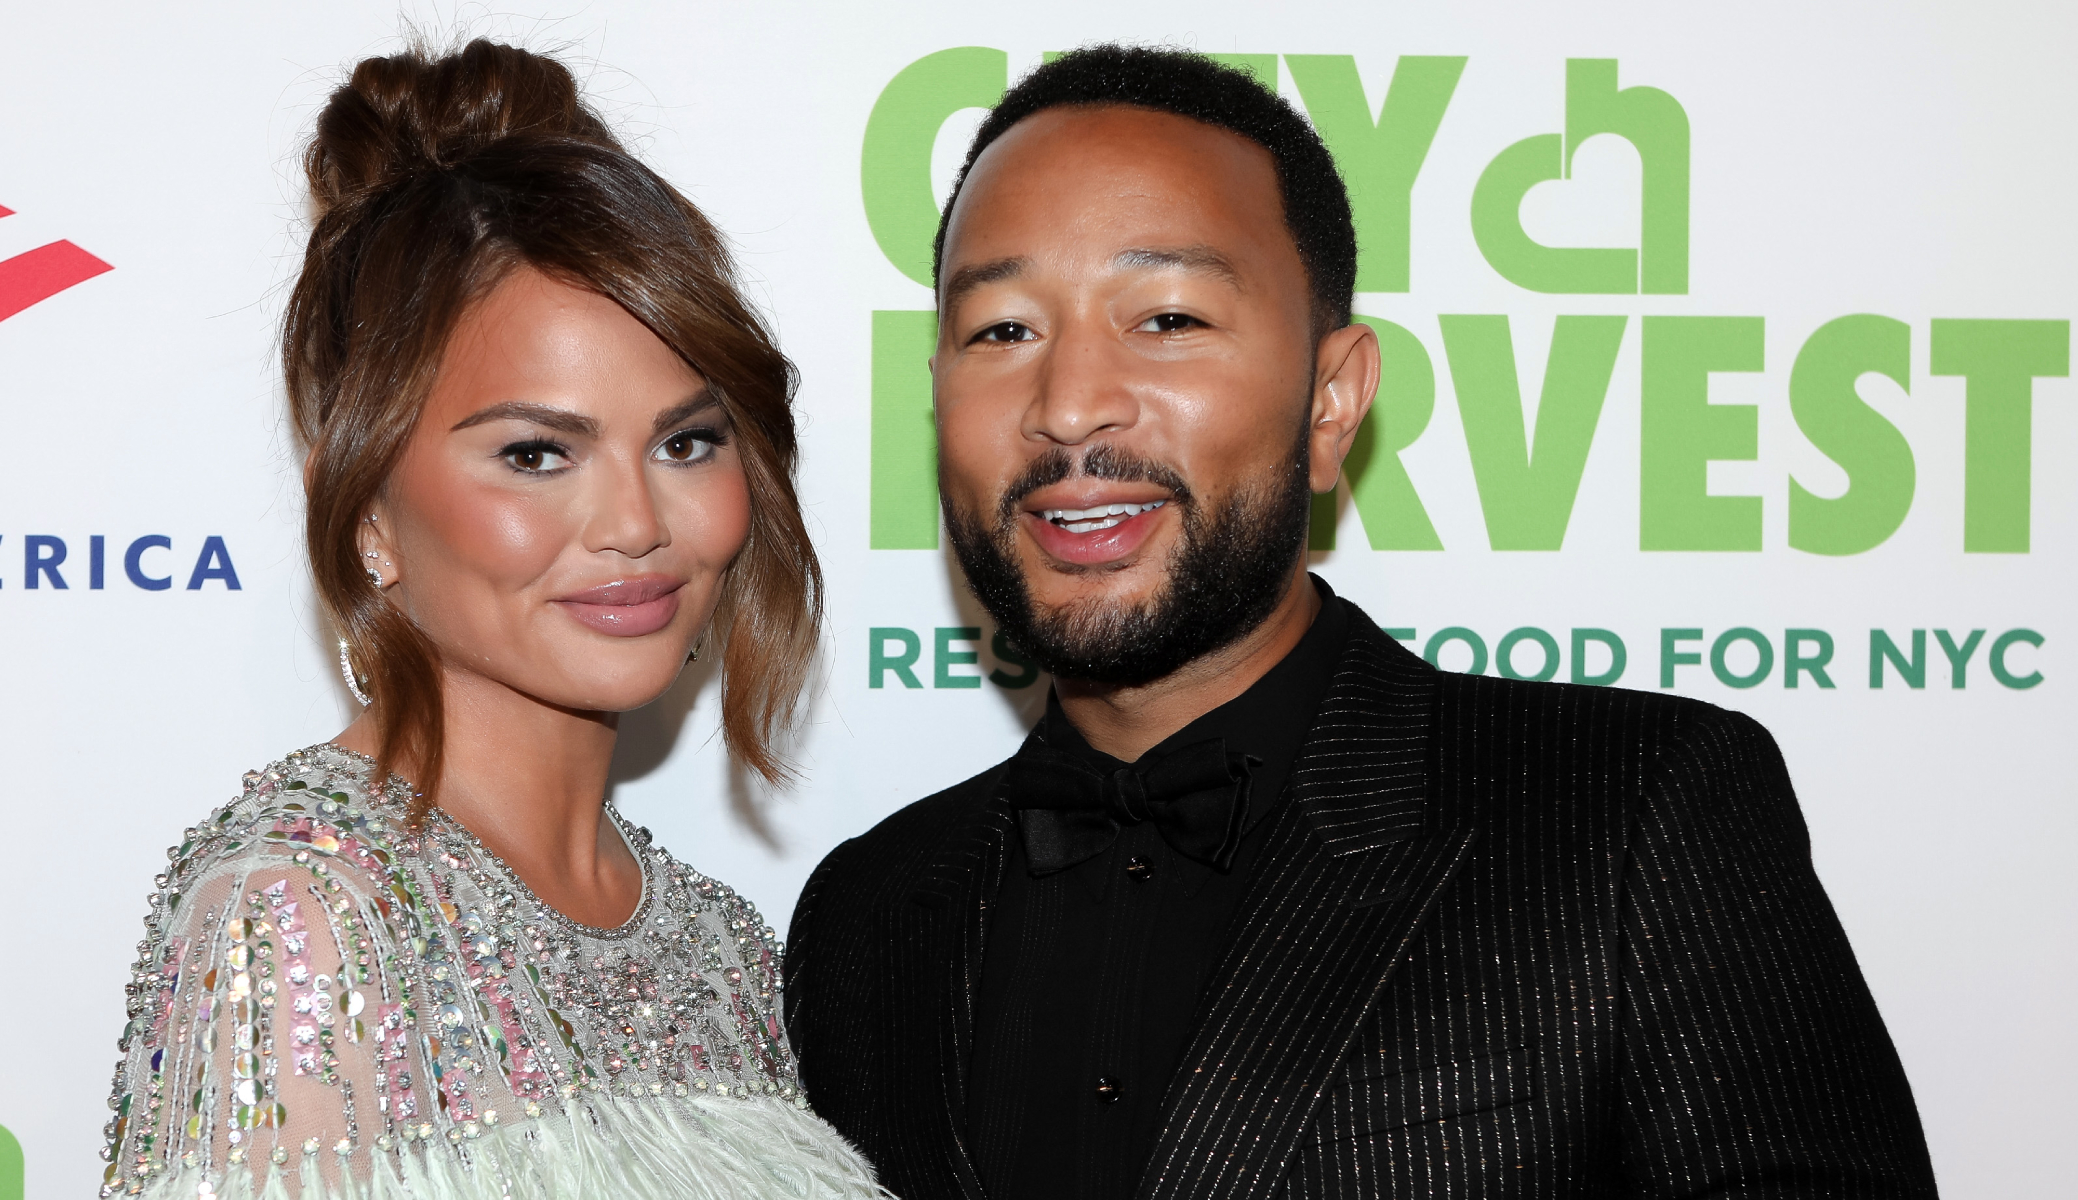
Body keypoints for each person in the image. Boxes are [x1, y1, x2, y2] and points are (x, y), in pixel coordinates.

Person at [784, 45, 1935, 1200]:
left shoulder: (1632, 812)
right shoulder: (867, 916)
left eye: (1169, 316)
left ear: (1332, 400)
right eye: (1002, 331)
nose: (1071, 403)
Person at [98, 39, 886, 1200]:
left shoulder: (722, 951)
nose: (635, 521)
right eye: (536, 452)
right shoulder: (303, 916)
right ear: (362, 504)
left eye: (686, 441)